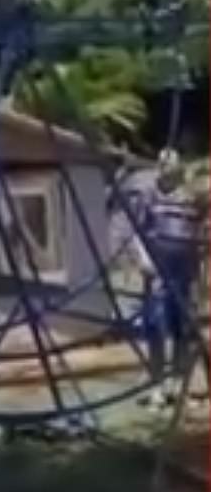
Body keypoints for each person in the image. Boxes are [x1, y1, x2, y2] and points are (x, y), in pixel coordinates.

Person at [135, 149, 202, 409]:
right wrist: (143, 258)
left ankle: (179, 388)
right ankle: (157, 387)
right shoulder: (148, 195)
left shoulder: (189, 197)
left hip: (184, 273)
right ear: (159, 167)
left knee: (183, 330)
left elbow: (197, 231)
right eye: (164, 163)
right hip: (158, 272)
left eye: (172, 163)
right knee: (156, 329)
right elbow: (137, 230)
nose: (168, 167)